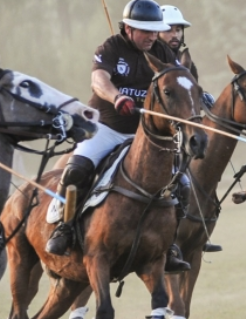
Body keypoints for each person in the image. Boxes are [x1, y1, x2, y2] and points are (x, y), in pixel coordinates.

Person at [45, 0, 191, 272]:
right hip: (107, 128)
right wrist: (117, 96)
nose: (151, 36)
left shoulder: (162, 52)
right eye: (145, 31)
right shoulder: (111, 47)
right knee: (76, 170)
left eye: (154, 31)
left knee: (181, 183)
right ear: (129, 28)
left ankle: (169, 245)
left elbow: (178, 83)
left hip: (143, 136)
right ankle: (64, 229)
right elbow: (98, 80)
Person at [158, 4, 221, 253]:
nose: (175, 35)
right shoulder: (147, 58)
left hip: (177, 132)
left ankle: (196, 231)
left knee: (197, 178)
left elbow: (192, 93)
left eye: (179, 30)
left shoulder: (184, 62)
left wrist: (205, 98)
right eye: (169, 30)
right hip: (147, 131)